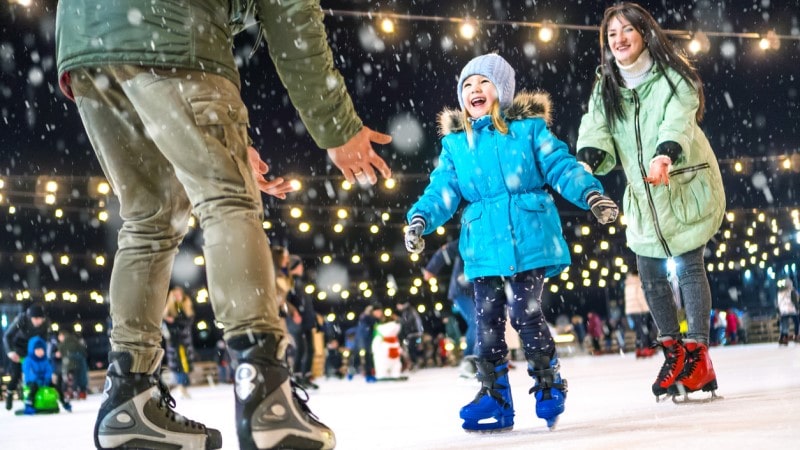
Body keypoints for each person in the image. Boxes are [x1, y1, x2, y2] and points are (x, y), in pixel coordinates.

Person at [55, 0, 392, 448]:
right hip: (169, 28)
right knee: (227, 201)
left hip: (88, 38)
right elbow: (290, 10)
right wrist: (337, 126)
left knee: (148, 219)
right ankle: (264, 388)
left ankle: (128, 397)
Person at [404, 53, 618, 432]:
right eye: (467, 85)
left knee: (524, 313)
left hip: (528, 237)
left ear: (501, 90)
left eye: (483, 82)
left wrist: (590, 194)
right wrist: (421, 218)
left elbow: (561, 166)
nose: (474, 90)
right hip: (483, 244)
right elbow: (442, 190)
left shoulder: (529, 130)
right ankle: (495, 395)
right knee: (485, 321)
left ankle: (548, 381)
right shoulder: (457, 144)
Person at [576, 3, 726, 400]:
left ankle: (698, 353)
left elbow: (679, 115)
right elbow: (596, 125)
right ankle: (673, 352)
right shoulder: (606, 85)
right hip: (643, 194)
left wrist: (665, 153)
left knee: (690, 265)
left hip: (680, 181)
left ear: (644, 33)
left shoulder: (672, 75)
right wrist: (586, 162)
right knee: (650, 270)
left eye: (627, 30)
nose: (619, 39)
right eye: (612, 34)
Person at [422, 240, 478, 378]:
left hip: (478, 291)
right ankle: (469, 361)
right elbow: (446, 250)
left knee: (486, 322)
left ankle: (484, 358)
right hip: (461, 290)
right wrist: (431, 269)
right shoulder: (470, 239)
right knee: (477, 322)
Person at [3, 303, 50, 411]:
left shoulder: (45, 323)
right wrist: (10, 352)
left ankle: (33, 398)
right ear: (30, 318)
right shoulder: (22, 319)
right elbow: (7, 336)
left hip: (34, 351)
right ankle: (10, 393)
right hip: (18, 349)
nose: (38, 321)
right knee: (16, 375)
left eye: (40, 319)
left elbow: (44, 340)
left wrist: (43, 354)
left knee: (37, 375)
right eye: (35, 319)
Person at [285, 255, 319, 389]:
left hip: (306, 320)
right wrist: (294, 312)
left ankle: (305, 376)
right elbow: (285, 300)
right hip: (297, 321)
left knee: (310, 349)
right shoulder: (289, 282)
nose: (302, 268)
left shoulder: (299, 282)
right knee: (300, 349)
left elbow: (305, 302)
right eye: (300, 265)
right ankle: (298, 377)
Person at [21, 336, 71, 414]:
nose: (40, 352)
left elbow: (48, 370)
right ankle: (29, 403)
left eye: (41, 350)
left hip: (44, 380)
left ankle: (64, 402)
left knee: (56, 386)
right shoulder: (28, 360)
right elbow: (28, 372)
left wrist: (47, 378)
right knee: (34, 387)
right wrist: (35, 379)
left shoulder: (45, 360)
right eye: (37, 350)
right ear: (32, 350)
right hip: (32, 380)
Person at [162, 287, 196, 399]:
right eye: (174, 295)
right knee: (177, 365)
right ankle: (181, 386)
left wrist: (174, 321)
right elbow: (165, 324)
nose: (177, 297)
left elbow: (186, 323)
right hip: (173, 342)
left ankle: (183, 386)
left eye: (178, 294)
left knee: (185, 365)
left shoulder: (186, 308)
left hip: (184, 342)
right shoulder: (169, 309)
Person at [624, 272, 656, 358]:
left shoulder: (628, 284)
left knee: (638, 331)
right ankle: (646, 348)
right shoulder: (637, 283)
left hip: (630, 311)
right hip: (640, 310)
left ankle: (638, 349)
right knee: (644, 330)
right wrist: (647, 309)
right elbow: (640, 297)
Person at [54, 329, 90, 400]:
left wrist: (59, 354)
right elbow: (83, 352)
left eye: (59, 336)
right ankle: (81, 392)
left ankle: (71, 393)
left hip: (69, 365)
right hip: (79, 364)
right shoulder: (75, 341)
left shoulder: (65, 343)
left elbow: (60, 352)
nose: (59, 338)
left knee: (70, 380)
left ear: (62, 335)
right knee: (79, 378)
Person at [777, 278, 798, 346]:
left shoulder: (780, 292)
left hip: (783, 310)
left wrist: (778, 311)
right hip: (791, 308)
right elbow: (795, 300)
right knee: (796, 322)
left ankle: (784, 338)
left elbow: (778, 302)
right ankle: (796, 336)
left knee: (784, 324)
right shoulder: (792, 291)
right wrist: (797, 308)